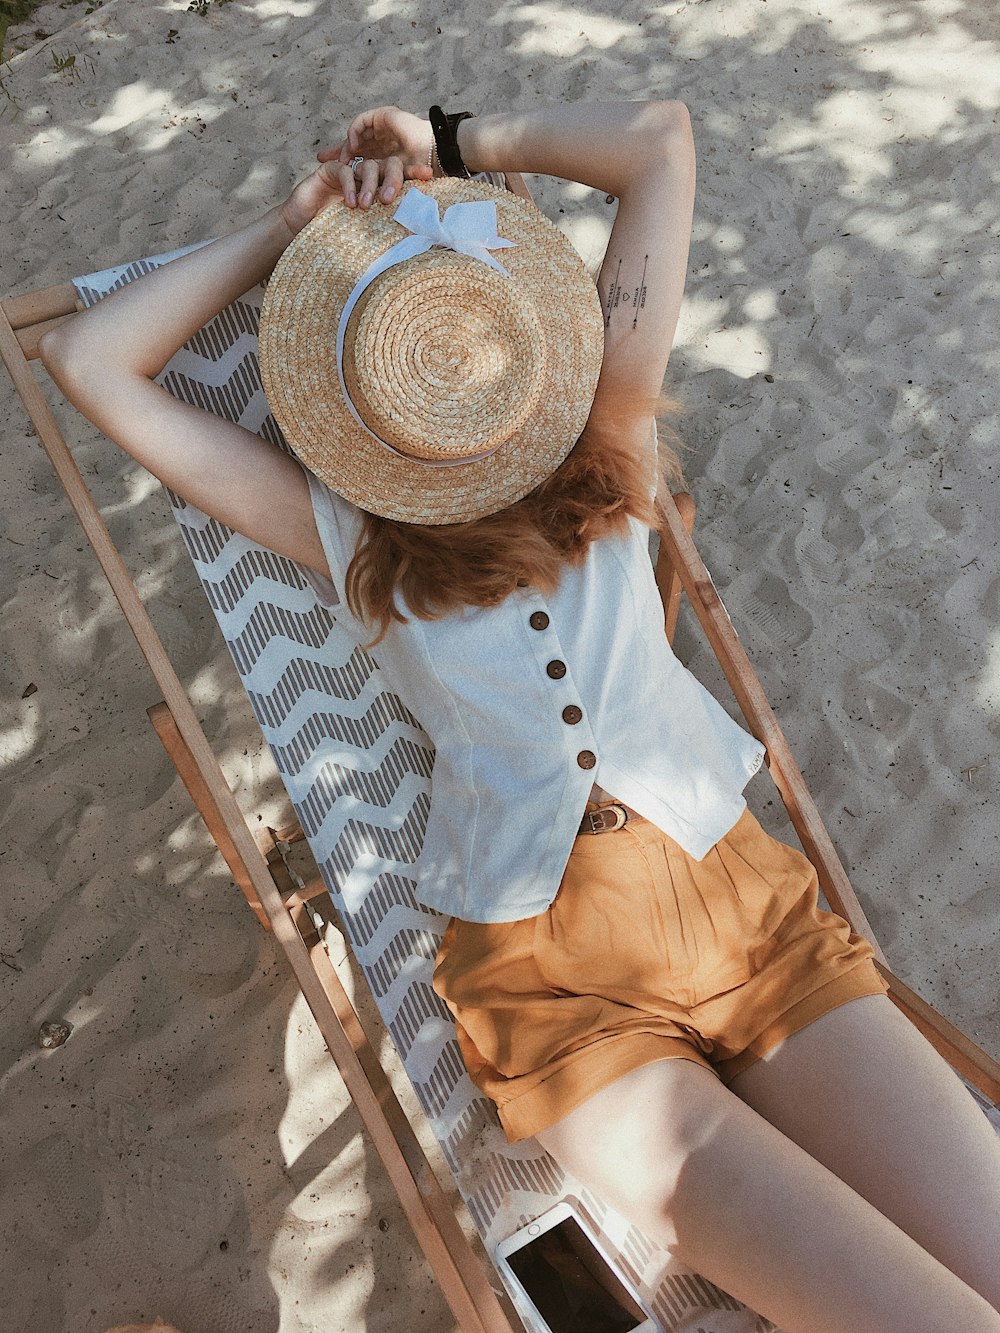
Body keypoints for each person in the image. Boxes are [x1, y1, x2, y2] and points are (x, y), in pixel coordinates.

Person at [40, 100, 1000, 1332]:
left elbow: (657, 143)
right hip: (559, 996)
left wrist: (454, 140)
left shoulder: (606, 424)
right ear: (351, 401)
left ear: (517, 348)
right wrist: (293, 225)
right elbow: (90, 362)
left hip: (751, 922)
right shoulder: (343, 533)